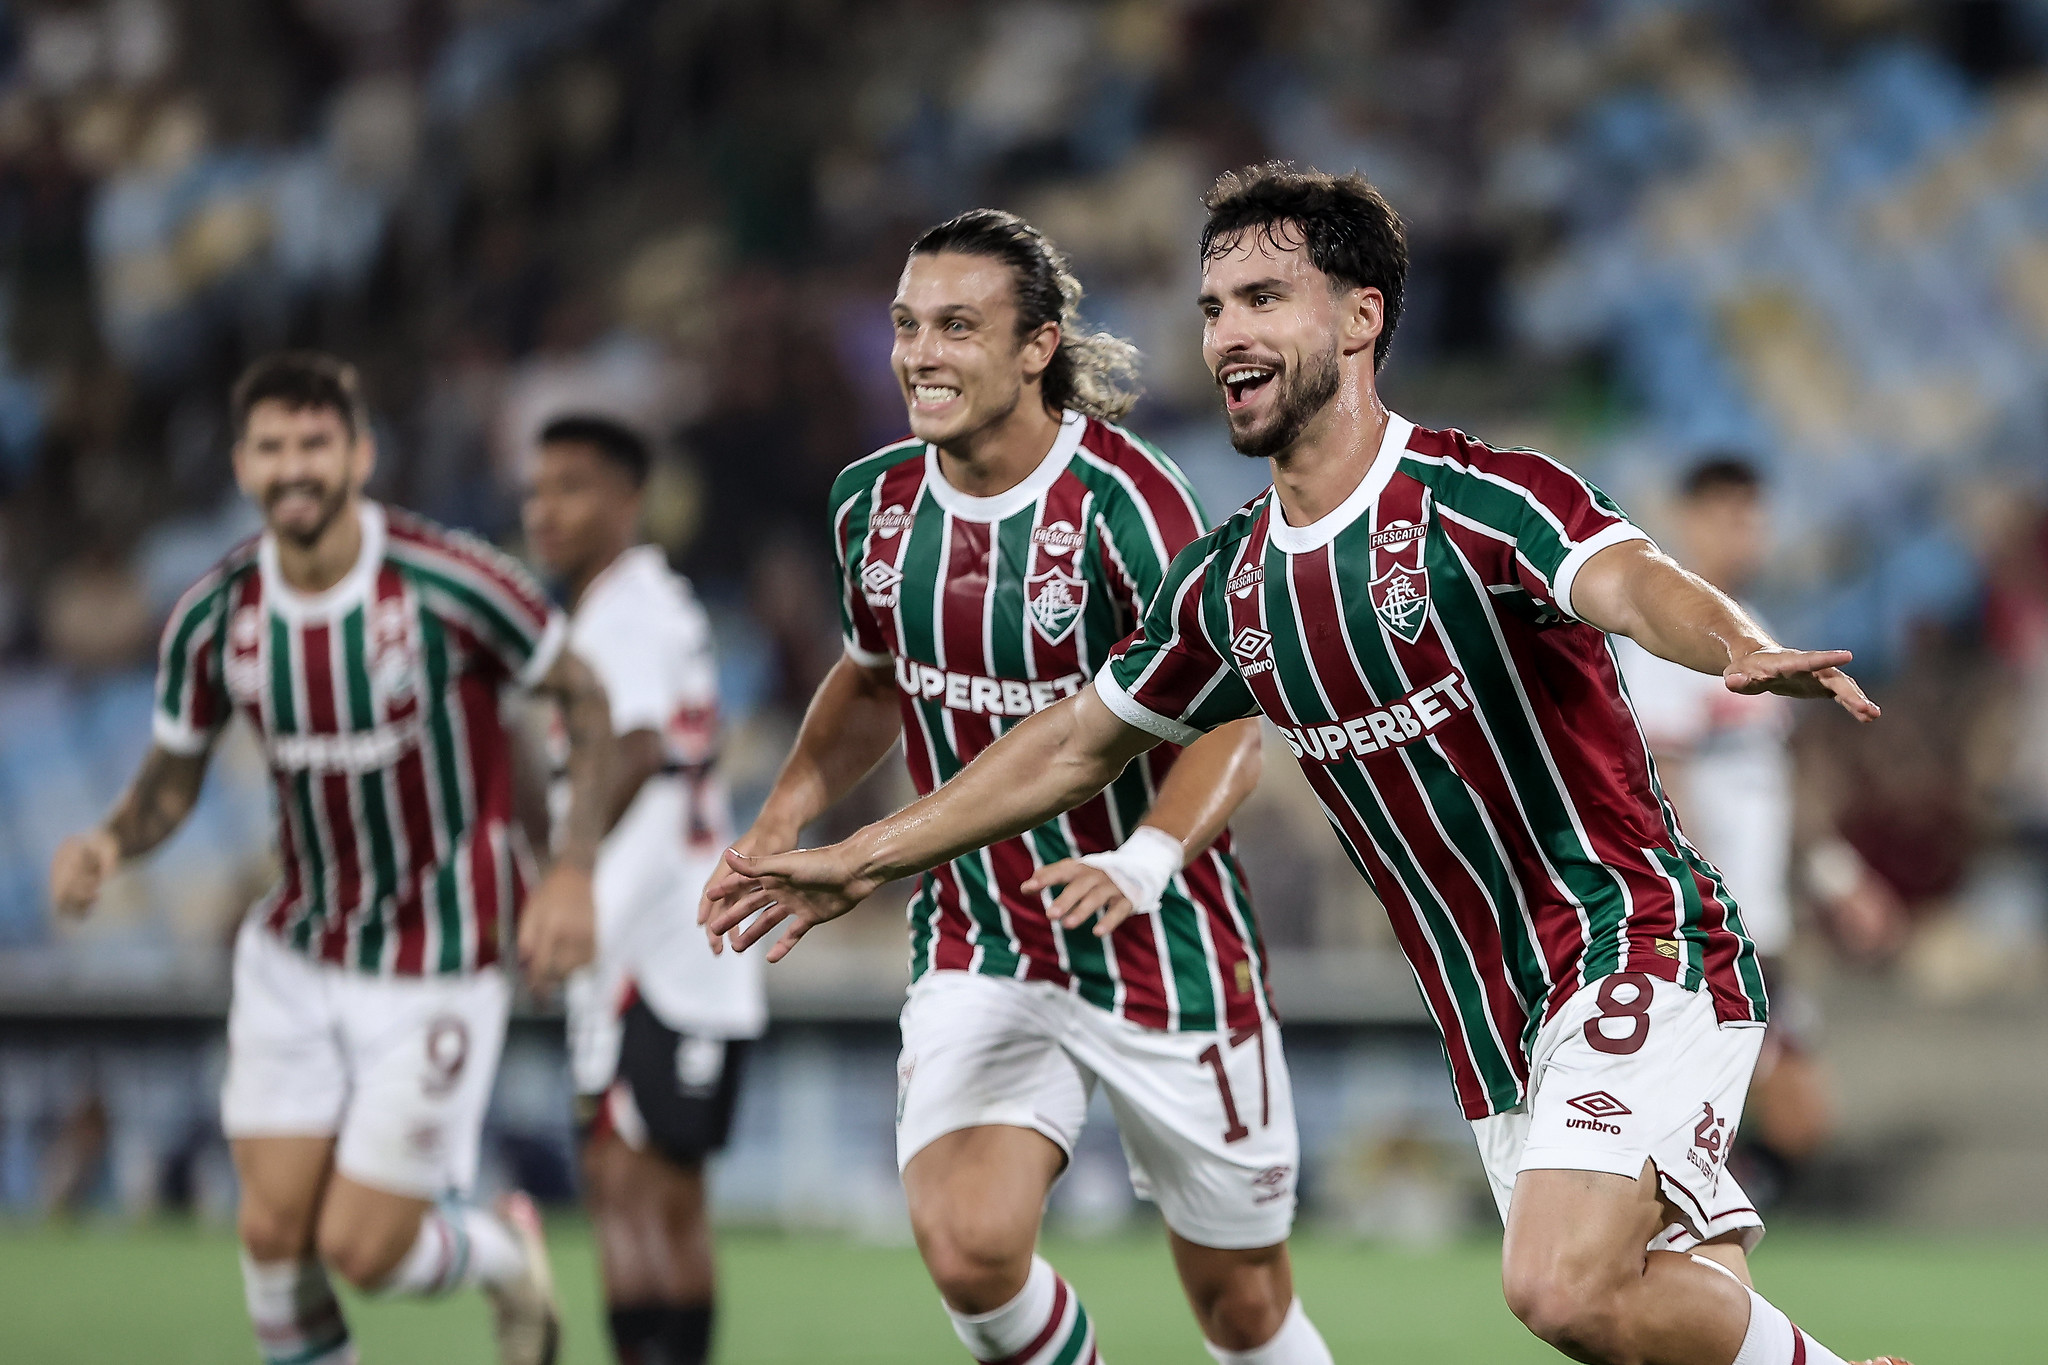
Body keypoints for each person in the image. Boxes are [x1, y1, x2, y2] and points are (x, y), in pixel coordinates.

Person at [704, 168, 1912, 1365]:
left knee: (1554, 1285)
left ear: (1357, 318)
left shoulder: (1471, 498)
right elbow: (1073, 743)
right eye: (1211, 307)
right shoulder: (1228, 587)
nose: (1226, 332)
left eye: (1263, 298)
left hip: (1624, 933)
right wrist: (861, 854)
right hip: (1487, 1015)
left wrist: (1737, 649)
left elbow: (1627, 578)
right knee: (1647, 1315)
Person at [707, 209, 1332, 1365]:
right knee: (967, 1248)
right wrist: (778, 818)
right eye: (904, 326)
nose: (918, 354)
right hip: (979, 933)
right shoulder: (873, 504)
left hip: (1160, 935)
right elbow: (869, 679)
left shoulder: (1126, 504)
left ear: (1037, 345)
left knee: (1239, 1308)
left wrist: (1141, 860)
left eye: (956, 326)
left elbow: (1227, 721)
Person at [49, 351, 616, 1365]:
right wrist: (109, 840)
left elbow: (583, 696)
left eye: (316, 444)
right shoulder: (215, 618)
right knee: (272, 1236)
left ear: (358, 455)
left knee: (363, 1248)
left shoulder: (448, 580)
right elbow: (174, 779)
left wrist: (569, 869)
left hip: (441, 953)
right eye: (272, 448)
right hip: (300, 949)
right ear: (241, 467)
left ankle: (498, 1255)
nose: (294, 467)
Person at [522, 413, 765, 1365]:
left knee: (635, 1190)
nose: (545, 509)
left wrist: (565, 883)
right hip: (663, 947)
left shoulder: (622, 612)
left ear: (628, 500)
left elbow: (631, 748)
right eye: (537, 489)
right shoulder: (647, 603)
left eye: (572, 486)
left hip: (656, 948)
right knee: (652, 1194)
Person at [1613, 457, 1904, 1201]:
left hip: (1761, 919)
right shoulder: (1668, 638)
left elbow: (1780, 783)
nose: (1747, 532)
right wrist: (1702, 904)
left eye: (1755, 514)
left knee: (1794, 1113)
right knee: (1768, 1107)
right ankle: (1679, 1231)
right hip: (1711, 919)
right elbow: (1662, 781)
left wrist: (1842, 879)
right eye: (1729, 514)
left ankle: (1698, 1222)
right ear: (1690, 518)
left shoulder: (1756, 632)